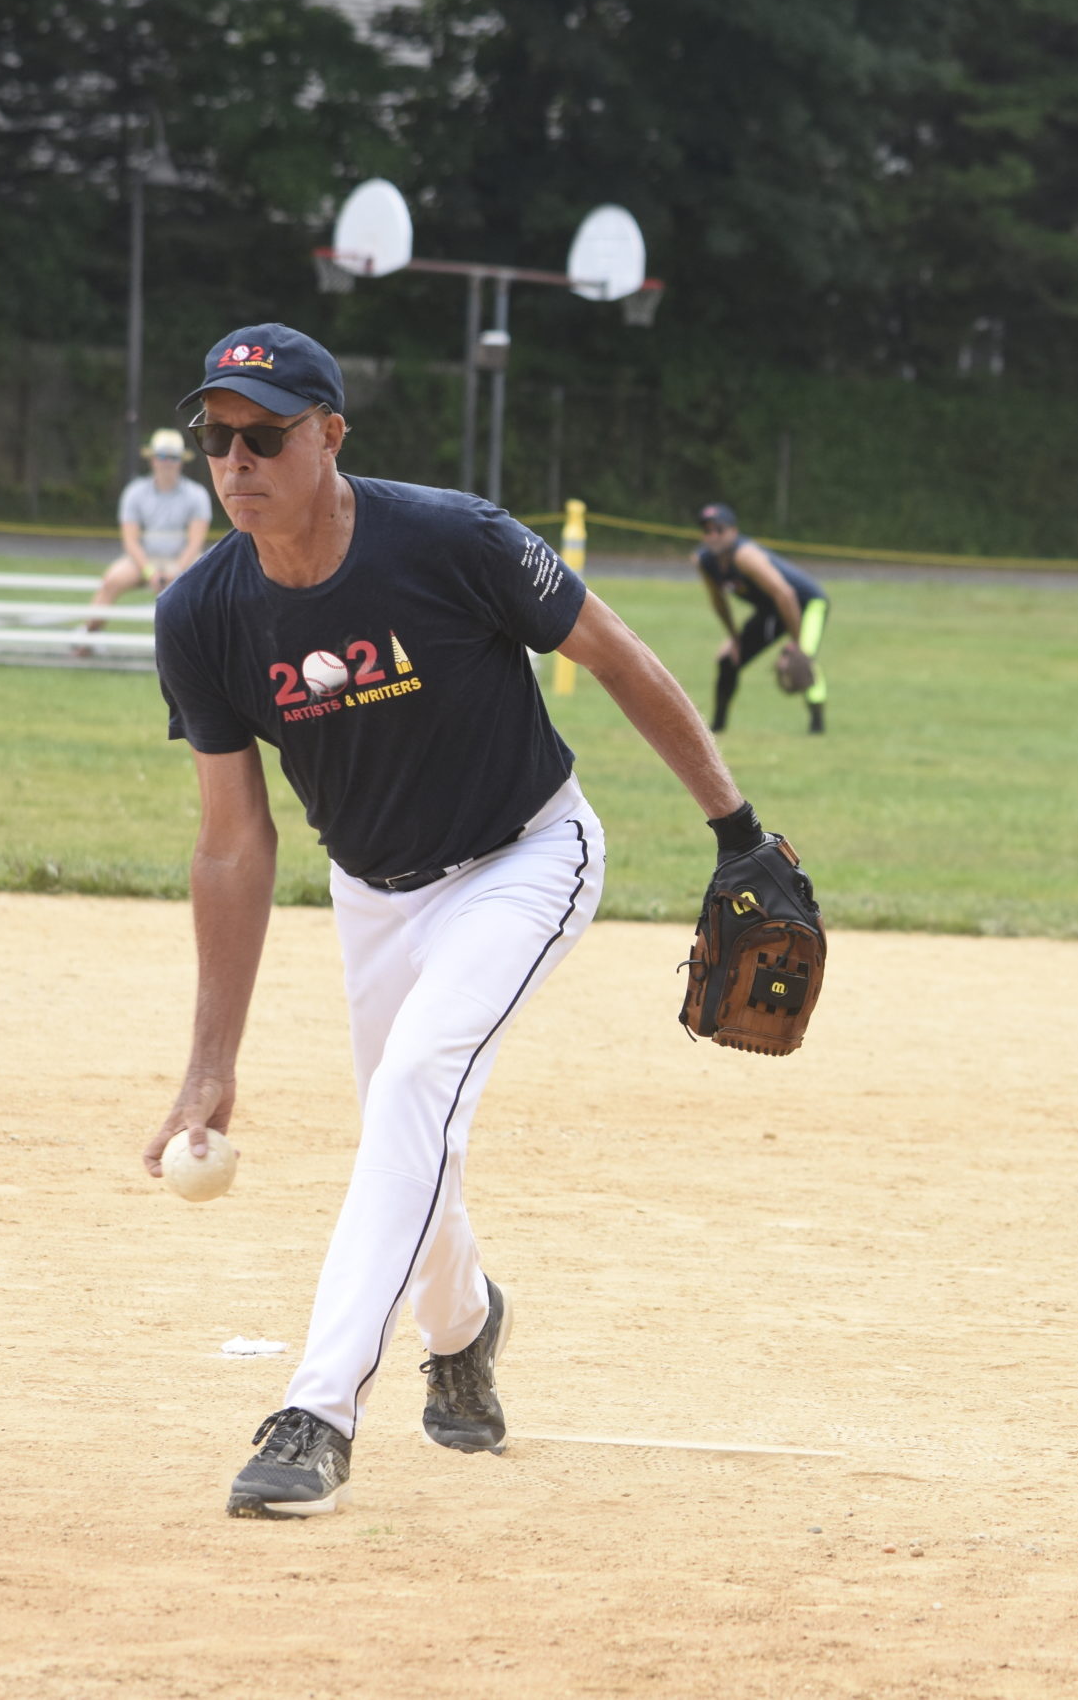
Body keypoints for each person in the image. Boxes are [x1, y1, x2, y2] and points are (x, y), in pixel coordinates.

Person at [141, 324, 779, 1519]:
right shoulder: (203, 617)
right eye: (218, 438)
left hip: (526, 859)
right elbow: (233, 841)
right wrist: (207, 1068)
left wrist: (736, 829)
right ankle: (466, 1326)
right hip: (372, 892)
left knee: (414, 1085)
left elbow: (620, 656)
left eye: (265, 434)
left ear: (330, 435)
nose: (236, 460)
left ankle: (316, 1413)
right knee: (411, 1124)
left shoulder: (450, 538)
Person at [691, 501, 830, 734]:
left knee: (802, 662)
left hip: (808, 605)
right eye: (707, 530)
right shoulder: (705, 562)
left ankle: (817, 723)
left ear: (733, 531)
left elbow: (786, 594)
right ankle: (717, 727)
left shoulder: (746, 556)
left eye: (719, 529)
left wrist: (796, 644)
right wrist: (734, 638)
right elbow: (719, 602)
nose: (712, 535)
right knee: (728, 660)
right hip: (772, 610)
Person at [84, 427, 211, 635]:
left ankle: (205, 644)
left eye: (172, 457)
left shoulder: (197, 494)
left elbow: (196, 541)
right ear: (152, 460)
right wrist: (150, 572)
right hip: (143, 559)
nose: (167, 462)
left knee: (207, 586)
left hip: (182, 558)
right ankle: (88, 636)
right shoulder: (135, 492)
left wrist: (178, 571)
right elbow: (131, 541)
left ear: (181, 461)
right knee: (111, 581)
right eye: (162, 456)